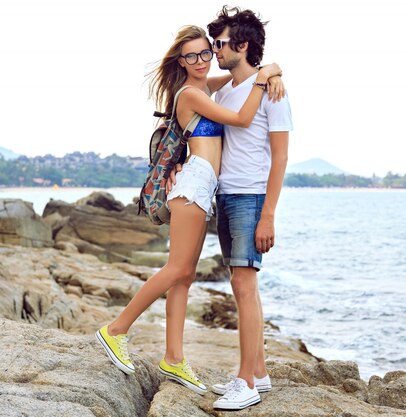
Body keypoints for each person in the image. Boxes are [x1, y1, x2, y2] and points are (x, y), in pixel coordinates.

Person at [95, 25, 283, 395]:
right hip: (194, 184)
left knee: (184, 278)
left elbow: (244, 73)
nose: (200, 60)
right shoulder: (189, 94)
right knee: (178, 269)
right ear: (180, 61)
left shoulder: (205, 86)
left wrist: (271, 70)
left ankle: (174, 358)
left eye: (204, 53)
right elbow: (243, 118)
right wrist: (264, 80)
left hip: (203, 186)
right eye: (191, 55)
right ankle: (115, 330)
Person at [202, 6, 292, 411]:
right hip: (226, 195)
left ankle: (245, 383)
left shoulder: (274, 93)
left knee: (243, 284)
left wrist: (269, 214)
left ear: (241, 45)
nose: (213, 51)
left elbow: (281, 158)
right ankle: (259, 372)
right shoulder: (227, 91)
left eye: (220, 44)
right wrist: (267, 68)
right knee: (243, 285)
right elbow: (204, 84)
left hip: (251, 197)